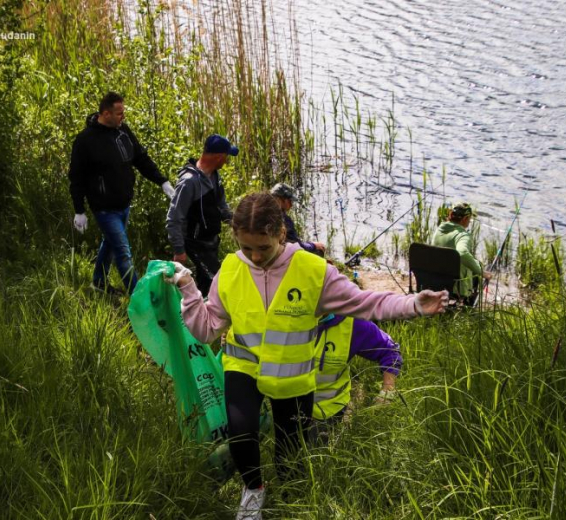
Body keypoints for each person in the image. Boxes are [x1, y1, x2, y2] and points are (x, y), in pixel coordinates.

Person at [164, 192, 448, 520]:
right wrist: (187, 287)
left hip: (292, 375)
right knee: (242, 433)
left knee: (290, 450)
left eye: (263, 248)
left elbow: (366, 303)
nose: (255, 257)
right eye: (246, 248)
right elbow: (207, 329)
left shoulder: (314, 271)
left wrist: (413, 304)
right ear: (236, 239)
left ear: (281, 234)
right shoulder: (230, 269)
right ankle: (253, 491)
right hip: (243, 366)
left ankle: (289, 499)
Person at [68, 91, 174, 295]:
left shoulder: (122, 131)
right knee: (123, 254)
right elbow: (76, 177)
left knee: (109, 243)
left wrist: (162, 181)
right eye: (119, 113)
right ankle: (139, 299)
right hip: (104, 208)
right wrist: (79, 210)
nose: (123, 117)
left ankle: (98, 283)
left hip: (124, 204)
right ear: (106, 114)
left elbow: (140, 158)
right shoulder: (85, 140)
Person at [166, 134, 237, 296]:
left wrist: (234, 221)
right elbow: (174, 218)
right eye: (226, 157)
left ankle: (203, 315)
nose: (227, 161)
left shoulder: (214, 175)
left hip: (210, 239)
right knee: (215, 281)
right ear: (218, 157)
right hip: (195, 242)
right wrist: (179, 250)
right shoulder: (189, 182)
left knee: (206, 282)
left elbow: (220, 204)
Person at [313, 315, 402, 426]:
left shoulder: (352, 323)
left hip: (327, 411)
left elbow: (389, 351)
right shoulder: (289, 317)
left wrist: (387, 391)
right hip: (288, 405)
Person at [431, 202, 491, 305]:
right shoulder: (462, 235)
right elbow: (462, 253)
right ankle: (468, 306)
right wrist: (482, 272)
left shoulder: (439, 231)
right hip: (454, 287)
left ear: (450, 215)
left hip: (433, 281)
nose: (469, 222)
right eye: (470, 219)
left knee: (474, 264)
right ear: (465, 219)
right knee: (476, 271)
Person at [269, 183, 325, 255]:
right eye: (289, 201)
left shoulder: (264, 212)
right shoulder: (284, 220)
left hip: (271, 253)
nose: (291, 204)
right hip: (282, 255)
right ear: (280, 200)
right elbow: (297, 246)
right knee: (319, 250)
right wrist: (313, 245)